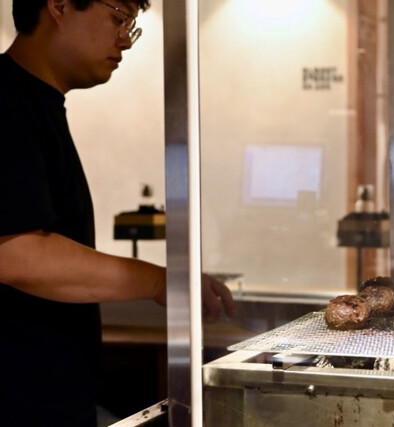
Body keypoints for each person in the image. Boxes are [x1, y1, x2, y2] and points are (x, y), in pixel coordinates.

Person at [0, 1, 234, 425]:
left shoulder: (39, 104)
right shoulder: (6, 102)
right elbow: (16, 254)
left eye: (131, 24)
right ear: (59, 6)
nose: (125, 39)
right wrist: (160, 282)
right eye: (118, 18)